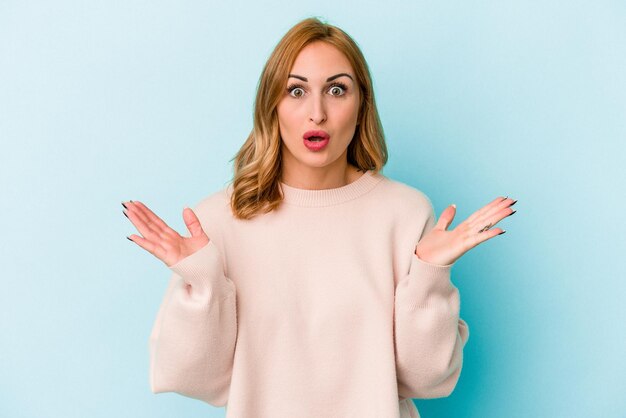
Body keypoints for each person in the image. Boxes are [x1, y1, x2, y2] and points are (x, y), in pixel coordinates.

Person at [122, 16, 516, 418]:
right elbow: (198, 381)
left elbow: (426, 380)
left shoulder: (406, 213)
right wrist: (204, 280)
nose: (317, 113)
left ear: (361, 104)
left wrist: (430, 274)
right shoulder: (217, 222)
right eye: (296, 90)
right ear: (271, 106)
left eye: (336, 90)